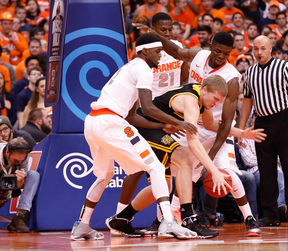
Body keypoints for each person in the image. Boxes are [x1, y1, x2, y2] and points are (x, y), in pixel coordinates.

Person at [70, 33, 199, 241]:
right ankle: (167, 222)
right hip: (110, 122)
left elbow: (133, 116)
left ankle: (82, 225)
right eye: (158, 52)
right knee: (156, 167)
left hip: (93, 121)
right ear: (145, 51)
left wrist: (163, 126)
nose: (161, 56)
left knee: (104, 176)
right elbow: (148, 107)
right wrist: (178, 122)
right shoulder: (143, 68)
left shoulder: (128, 68)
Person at [111, 75, 264, 238]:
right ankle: (188, 218)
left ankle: (121, 218)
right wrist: (214, 171)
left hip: (154, 130)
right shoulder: (191, 102)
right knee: (184, 158)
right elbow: (193, 141)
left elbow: (211, 125)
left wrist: (242, 133)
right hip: (143, 128)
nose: (216, 103)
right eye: (215, 99)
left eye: (219, 101)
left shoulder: (201, 98)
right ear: (205, 90)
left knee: (165, 186)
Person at [239, 35, 288, 227]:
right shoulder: (250, 72)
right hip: (262, 123)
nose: (259, 52)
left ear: (270, 49)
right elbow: (247, 102)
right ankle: (270, 214)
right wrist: (242, 129)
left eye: (263, 48)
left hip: (285, 120)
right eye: (256, 49)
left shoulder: (284, 67)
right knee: (266, 171)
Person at [0, 116, 38, 233]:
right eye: (16, 160)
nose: (19, 163)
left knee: (33, 175)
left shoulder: (23, 157)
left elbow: (17, 186)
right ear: (7, 153)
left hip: (7, 187)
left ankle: (20, 216)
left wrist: (20, 181)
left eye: (21, 161)